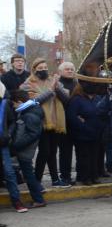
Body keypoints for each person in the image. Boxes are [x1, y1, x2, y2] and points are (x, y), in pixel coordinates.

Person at [21, 58, 71, 188]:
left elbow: (66, 98)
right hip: (40, 122)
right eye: (40, 68)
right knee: (44, 152)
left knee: (52, 152)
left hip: (55, 121)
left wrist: (56, 86)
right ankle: (37, 180)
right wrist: (50, 90)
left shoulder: (52, 80)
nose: (43, 70)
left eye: (45, 68)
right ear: (34, 69)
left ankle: (55, 179)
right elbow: (34, 101)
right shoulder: (28, 83)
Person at [5, 89, 47, 212]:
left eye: (14, 104)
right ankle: (38, 195)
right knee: (28, 174)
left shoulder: (29, 114)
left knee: (28, 175)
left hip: (25, 150)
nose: (13, 106)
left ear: (19, 101)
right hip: (24, 149)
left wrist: (15, 146)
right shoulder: (28, 110)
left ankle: (38, 199)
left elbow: (32, 134)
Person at [66, 84, 105, 185]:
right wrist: (84, 127)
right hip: (82, 134)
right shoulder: (76, 99)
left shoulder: (98, 98)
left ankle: (94, 176)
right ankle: (84, 177)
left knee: (94, 155)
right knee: (84, 156)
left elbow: (102, 112)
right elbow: (72, 117)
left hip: (96, 133)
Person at [57, 62, 78, 185]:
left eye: (72, 69)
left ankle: (81, 174)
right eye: (67, 69)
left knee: (80, 150)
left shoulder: (77, 84)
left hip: (76, 121)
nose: (70, 71)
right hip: (62, 122)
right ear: (60, 71)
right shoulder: (57, 84)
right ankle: (65, 176)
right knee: (65, 151)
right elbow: (67, 102)